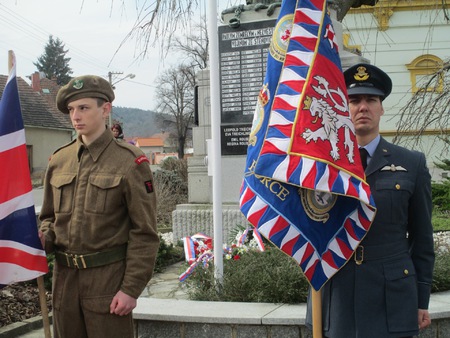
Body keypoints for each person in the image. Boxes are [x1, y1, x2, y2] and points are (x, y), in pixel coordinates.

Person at [306, 63, 435, 337]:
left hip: (392, 296)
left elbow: (422, 240)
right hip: (336, 294)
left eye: (371, 100)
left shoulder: (411, 163)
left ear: (381, 108)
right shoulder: (321, 164)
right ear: (344, 107)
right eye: (354, 100)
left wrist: (421, 299)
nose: (363, 107)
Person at [38, 75, 160, 338]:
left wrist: (131, 289)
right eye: (71, 110)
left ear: (105, 109)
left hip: (107, 283)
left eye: (83, 108)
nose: (75, 116)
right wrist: (43, 236)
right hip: (65, 283)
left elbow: (145, 232)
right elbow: (48, 217)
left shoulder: (129, 162)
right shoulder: (59, 160)